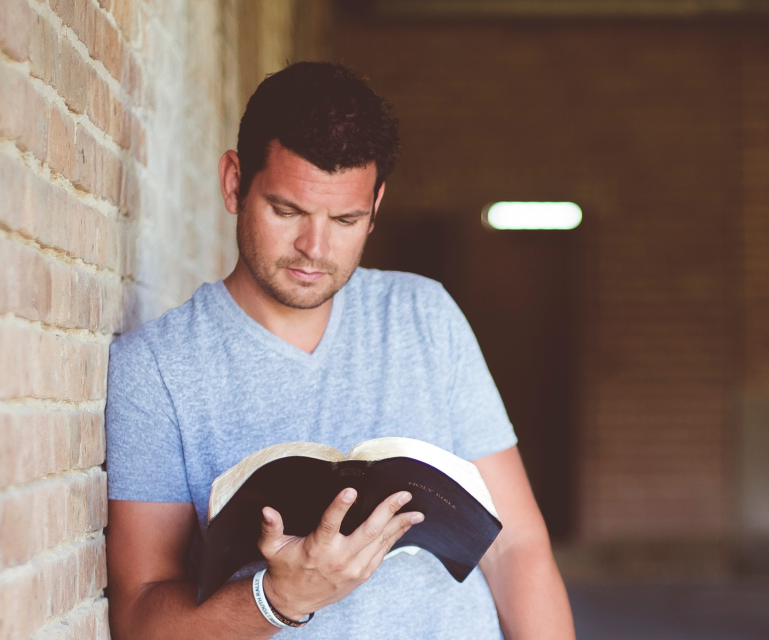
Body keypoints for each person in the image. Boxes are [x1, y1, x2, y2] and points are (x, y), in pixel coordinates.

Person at [103, 62, 575, 640]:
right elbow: (139, 617)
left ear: (376, 205)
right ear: (234, 183)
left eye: (346, 219)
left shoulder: (425, 314)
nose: (314, 248)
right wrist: (277, 598)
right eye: (287, 211)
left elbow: (517, 548)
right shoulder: (156, 366)